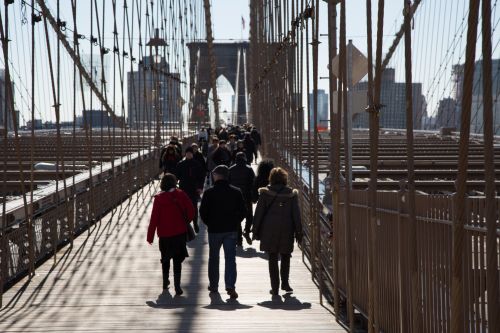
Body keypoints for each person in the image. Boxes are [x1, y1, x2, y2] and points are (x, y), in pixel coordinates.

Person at [252, 167, 302, 296]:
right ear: (285, 178)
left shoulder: (265, 193)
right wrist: (299, 232)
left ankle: (275, 287)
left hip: (269, 229)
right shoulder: (291, 194)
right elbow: (296, 214)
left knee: (272, 257)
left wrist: (255, 230)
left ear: (271, 178)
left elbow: (258, 214)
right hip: (287, 228)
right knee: (286, 255)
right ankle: (285, 283)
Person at [199, 165, 246, 299]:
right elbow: (243, 211)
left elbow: (202, 212)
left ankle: (214, 285)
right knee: (230, 258)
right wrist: (235, 222)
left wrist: (210, 223)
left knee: (214, 258)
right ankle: (230, 285)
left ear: (217, 175)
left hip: (214, 230)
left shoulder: (209, 193)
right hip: (231, 229)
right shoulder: (236, 192)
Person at [147, 173, 195, 295]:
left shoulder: (158, 199)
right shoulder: (181, 194)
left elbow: (154, 219)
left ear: (162, 184)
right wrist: (185, 222)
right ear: (174, 182)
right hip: (179, 233)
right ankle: (177, 286)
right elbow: (191, 211)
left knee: (165, 258)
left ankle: (165, 282)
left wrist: (150, 236)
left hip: (164, 234)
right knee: (177, 260)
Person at [175, 147, 205, 233]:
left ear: (192, 154)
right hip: (183, 189)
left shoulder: (197, 164)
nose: (189, 154)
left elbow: (201, 177)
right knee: (183, 208)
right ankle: (185, 224)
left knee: (194, 207)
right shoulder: (180, 164)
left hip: (193, 189)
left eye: (190, 153)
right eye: (187, 153)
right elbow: (176, 176)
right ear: (185, 154)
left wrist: (200, 187)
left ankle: (195, 223)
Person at [228, 152, 255, 246]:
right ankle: (247, 230)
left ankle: (239, 239)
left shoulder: (230, 169)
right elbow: (253, 183)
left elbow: (228, 183)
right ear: (244, 158)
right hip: (247, 195)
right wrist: (254, 196)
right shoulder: (249, 169)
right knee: (249, 215)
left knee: (237, 217)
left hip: (234, 196)